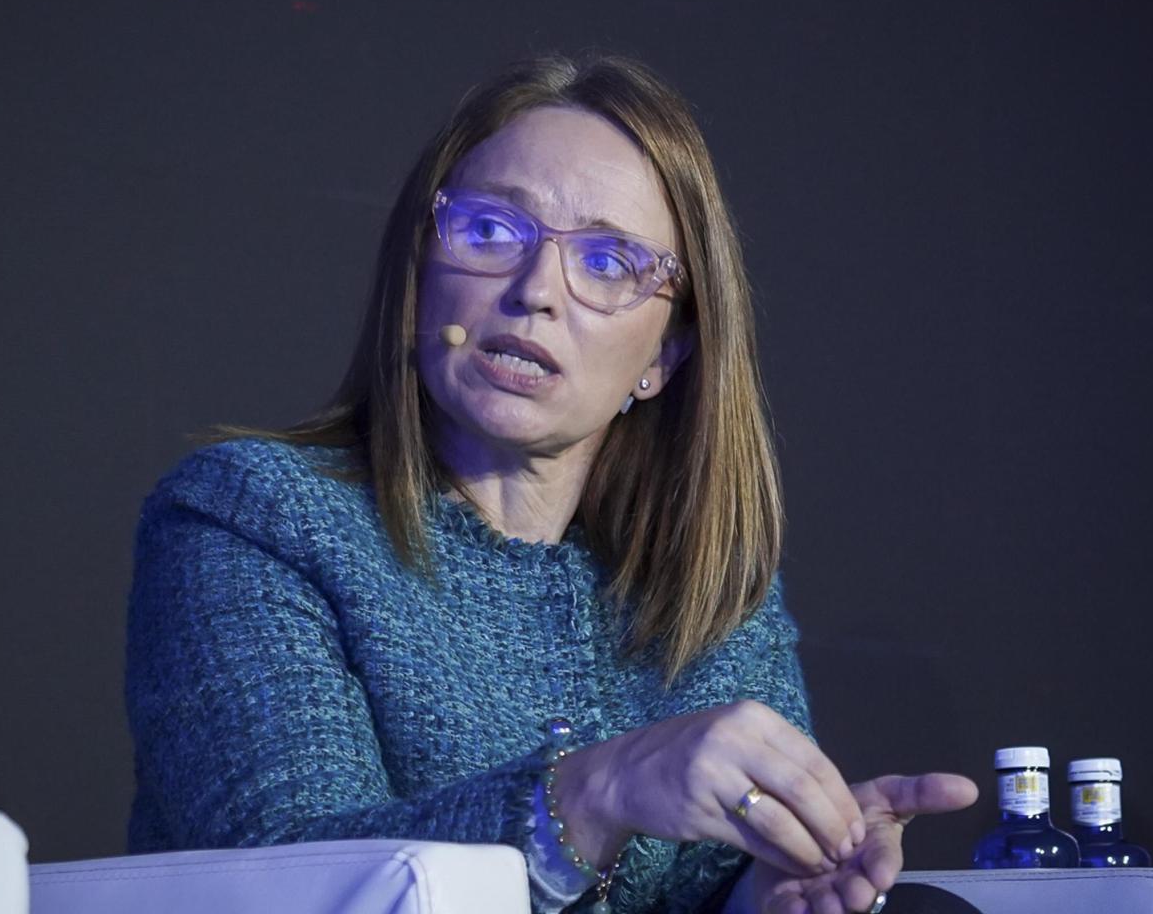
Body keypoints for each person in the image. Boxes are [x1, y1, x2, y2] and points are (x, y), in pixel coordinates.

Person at [124, 52, 977, 914]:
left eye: (608, 263)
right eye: (492, 232)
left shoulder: (712, 594)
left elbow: (705, 892)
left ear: (664, 355)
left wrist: (773, 891)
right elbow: (289, 874)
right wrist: (595, 792)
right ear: (420, 275)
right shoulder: (251, 516)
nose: (536, 290)